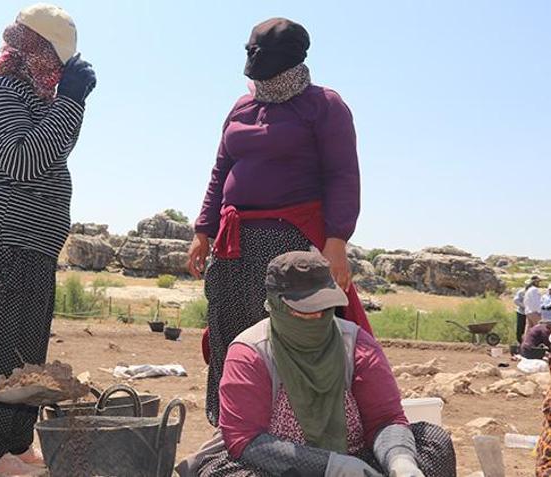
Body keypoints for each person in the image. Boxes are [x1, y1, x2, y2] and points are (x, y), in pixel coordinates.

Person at [186, 17, 372, 426]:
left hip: (289, 240)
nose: (252, 57)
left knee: (283, 339)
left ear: (291, 57)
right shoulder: (241, 106)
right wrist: (204, 231)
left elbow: (343, 174)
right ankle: (230, 429)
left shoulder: (324, 105)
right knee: (229, 334)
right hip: (232, 243)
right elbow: (220, 170)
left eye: (260, 51)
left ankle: (284, 433)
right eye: (249, 49)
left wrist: (337, 240)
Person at [0, 3, 96, 468]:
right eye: (58, 60)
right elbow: (22, 160)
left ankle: (11, 448)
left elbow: (47, 151)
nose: (60, 72)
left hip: (27, 248)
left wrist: (65, 104)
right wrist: (72, 101)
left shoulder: (32, 95)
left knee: (22, 356)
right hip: (0, 247)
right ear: (37, 49)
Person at [177, 251, 456, 477]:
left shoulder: (356, 344)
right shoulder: (250, 352)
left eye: (324, 308)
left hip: (356, 457)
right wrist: (330, 466)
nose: (317, 317)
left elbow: (385, 419)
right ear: (276, 304)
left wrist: (400, 461)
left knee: (433, 441)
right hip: (274, 464)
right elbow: (243, 439)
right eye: (305, 310)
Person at [525, 276, 543, 342]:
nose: (539, 283)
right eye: (538, 282)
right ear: (535, 282)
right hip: (534, 312)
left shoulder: (528, 290)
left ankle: (526, 344)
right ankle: (538, 344)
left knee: (529, 329)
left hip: (528, 312)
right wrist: (539, 312)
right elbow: (536, 302)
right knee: (539, 328)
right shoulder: (534, 290)